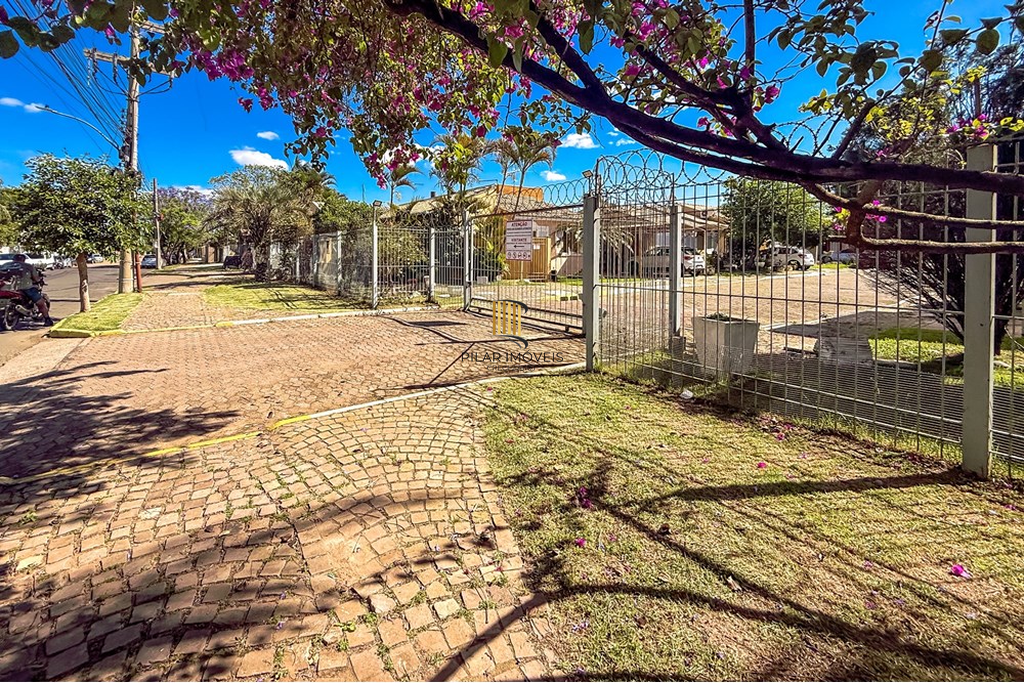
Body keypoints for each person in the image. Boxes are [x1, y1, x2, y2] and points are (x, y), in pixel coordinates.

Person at [11, 253, 53, 326]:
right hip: (25, 288)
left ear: (13, 259)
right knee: (41, 303)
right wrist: (39, 280)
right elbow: (36, 279)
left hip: (9, 288)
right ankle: (47, 319)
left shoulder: (5, 265)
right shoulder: (28, 266)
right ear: (23, 260)